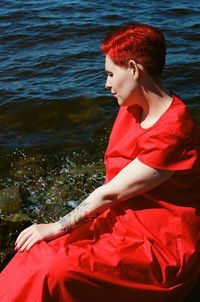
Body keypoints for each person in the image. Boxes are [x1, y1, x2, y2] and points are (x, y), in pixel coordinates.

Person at [0, 23, 200, 302]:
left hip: (158, 243)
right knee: (35, 252)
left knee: (52, 268)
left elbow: (111, 192)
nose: (106, 84)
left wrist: (56, 225)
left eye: (110, 74)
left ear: (133, 69)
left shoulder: (173, 132)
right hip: (121, 215)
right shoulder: (132, 108)